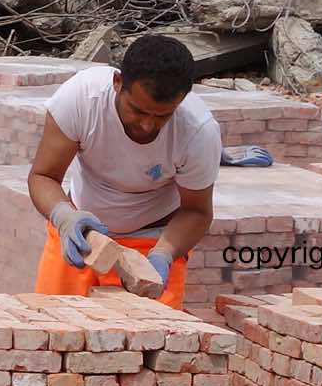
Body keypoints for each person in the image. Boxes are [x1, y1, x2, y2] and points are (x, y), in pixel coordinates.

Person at [25, 34, 220, 302]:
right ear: (118, 83)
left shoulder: (197, 132)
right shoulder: (82, 98)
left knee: (157, 339)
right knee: (52, 329)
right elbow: (43, 176)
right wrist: (65, 218)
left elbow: (197, 211)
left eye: (162, 115)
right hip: (81, 236)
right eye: (138, 111)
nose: (148, 125)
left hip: (154, 241)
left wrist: (164, 253)